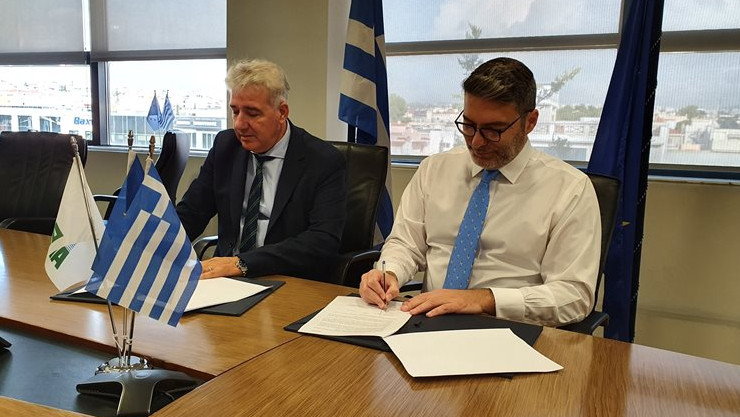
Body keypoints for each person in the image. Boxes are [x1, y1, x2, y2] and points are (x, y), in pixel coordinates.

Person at [359, 57, 601, 326]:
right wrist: (389, 273)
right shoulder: (434, 169)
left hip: (511, 328)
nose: (476, 142)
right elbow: (406, 244)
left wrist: (485, 300)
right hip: (428, 321)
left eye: (493, 130)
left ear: (530, 122)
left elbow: (574, 295)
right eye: (469, 125)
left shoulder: (570, 189)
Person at [176, 58, 347, 282]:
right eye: (235, 111)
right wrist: (146, 244)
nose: (239, 124)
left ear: (282, 112)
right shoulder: (226, 147)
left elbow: (322, 241)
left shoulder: (322, 160)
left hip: (287, 280)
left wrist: (242, 263)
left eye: (252, 113)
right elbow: (192, 213)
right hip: (224, 281)